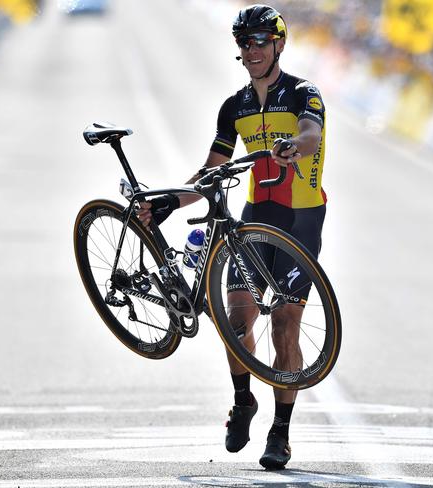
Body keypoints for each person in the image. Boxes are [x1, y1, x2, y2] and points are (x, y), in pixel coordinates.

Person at [136, 4, 328, 470]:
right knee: (237, 321)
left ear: (279, 44)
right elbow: (211, 172)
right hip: (254, 220)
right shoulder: (234, 106)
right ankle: (243, 401)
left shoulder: (303, 91)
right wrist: (168, 202)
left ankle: (281, 431)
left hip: (300, 222)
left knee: (284, 323)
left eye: (261, 41)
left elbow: (312, 134)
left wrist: (292, 148)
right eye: (244, 42)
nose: (252, 49)